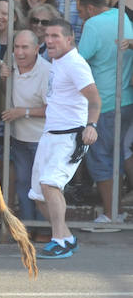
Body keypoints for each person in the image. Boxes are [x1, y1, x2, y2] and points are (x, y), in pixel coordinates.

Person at [30, 19, 100, 259]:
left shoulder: (75, 64)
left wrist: (91, 125)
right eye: (47, 35)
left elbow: (94, 98)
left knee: (50, 184)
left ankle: (58, 239)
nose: (49, 40)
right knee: (39, 195)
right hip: (51, 135)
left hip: (70, 137)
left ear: (69, 39)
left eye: (55, 36)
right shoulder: (57, 61)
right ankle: (67, 237)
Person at [76, 0, 133, 229]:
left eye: (80, 12)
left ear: (89, 8)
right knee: (118, 157)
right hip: (126, 99)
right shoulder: (122, 16)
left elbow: (78, 59)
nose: (80, 17)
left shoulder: (93, 24)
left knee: (101, 159)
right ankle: (115, 211)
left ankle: (112, 215)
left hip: (105, 103)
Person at [0, 29, 50, 224]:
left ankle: (45, 229)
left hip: (41, 139)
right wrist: (4, 78)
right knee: (22, 184)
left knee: (41, 186)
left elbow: (52, 109)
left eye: (24, 48)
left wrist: (23, 112)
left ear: (37, 49)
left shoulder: (46, 71)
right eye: (16, 47)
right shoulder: (11, 62)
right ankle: (28, 227)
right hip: (19, 137)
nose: (19, 52)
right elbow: (7, 93)